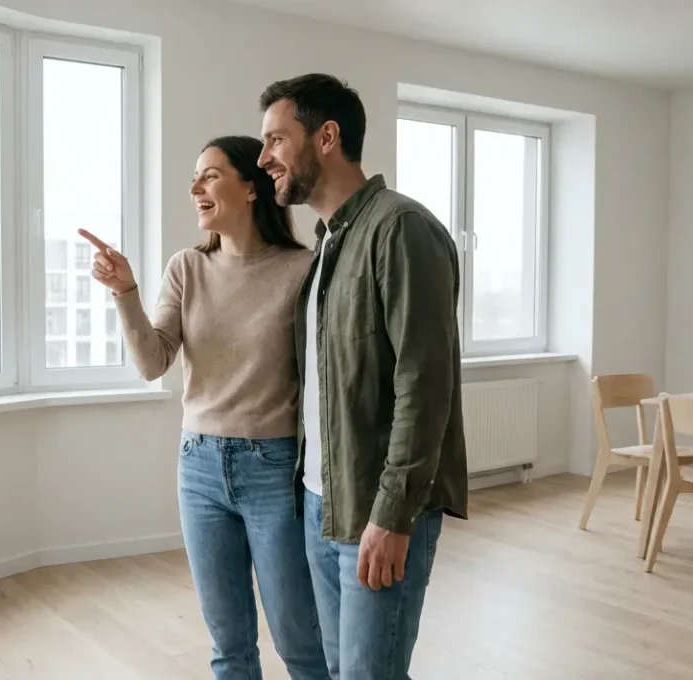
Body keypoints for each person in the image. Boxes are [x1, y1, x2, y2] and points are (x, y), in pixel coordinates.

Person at [80, 135, 328, 680]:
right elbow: (152, 362)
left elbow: (323, 377)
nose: (195, 188)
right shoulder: (186, 268)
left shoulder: (304, 270)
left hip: (275, 468)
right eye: (195, 178)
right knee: (228, 643)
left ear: (252, 187)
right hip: (198, 467)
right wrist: (125, 293)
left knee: (299, 639)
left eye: (210, 175)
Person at [257, 73, 469, 679]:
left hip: (379, 511)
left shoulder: (400, 229)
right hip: (324, 503)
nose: (264, 156)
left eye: (276, 139)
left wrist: (392, 516)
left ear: (327, 137)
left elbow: (425, 387)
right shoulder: (326, 246)